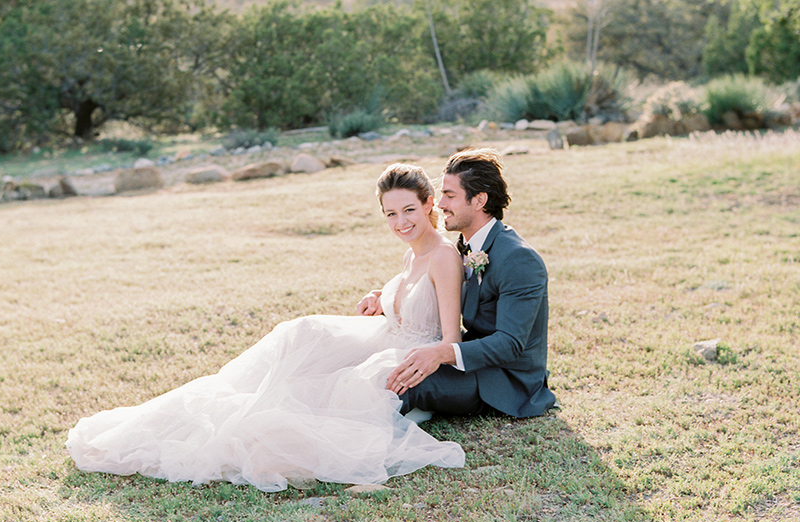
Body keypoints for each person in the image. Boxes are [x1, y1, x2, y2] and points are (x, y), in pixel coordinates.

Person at [66, 164, 465, 492]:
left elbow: (449, 337)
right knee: (301, 334)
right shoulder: (413, 253)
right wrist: (385, 296)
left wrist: (427, 357)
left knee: (316, 397)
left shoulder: (444, 256)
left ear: (429, 203)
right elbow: (414, 292)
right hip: (382, 334)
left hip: (405, 352)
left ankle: (246, 426)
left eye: (409, 210)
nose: (400, 222)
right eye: (390, 214)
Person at [358, 148, 555, 418]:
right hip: (469, 362)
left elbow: (510, 344)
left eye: (450, 195)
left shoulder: (518, 258)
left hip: (504, 380)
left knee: (398, 383)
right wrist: (386, 298)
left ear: (479, 200)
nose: (440, 205)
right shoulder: (467, 246)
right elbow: (437, 288)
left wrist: (441, 354)